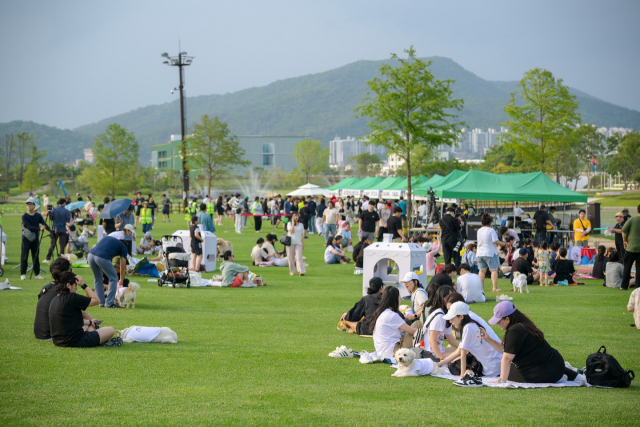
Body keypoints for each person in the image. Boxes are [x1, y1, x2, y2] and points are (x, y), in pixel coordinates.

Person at [482, 301, 585, 384]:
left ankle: (564, 376)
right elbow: (505, 350)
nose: (498, 323)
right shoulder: (523, 325)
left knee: (505, 370)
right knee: (508, 367)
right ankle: (574, 375)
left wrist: (501, 380)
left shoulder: (514, 330)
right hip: (557, 364)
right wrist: (488, 339)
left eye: (499, 320)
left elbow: (507, 358)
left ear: (508, 319)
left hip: (543, 372)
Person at [34, 258, 99, 341]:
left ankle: (96, 330)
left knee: (82, 313)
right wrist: (83, 285)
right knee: (87, 322)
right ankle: (97, 332)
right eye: (70, 270)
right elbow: (96, 301)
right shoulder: (64, 292)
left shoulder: (46, 288)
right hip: (53, 334)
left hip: (40, 333)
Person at [49, 271, 120, 347]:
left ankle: (98, 337)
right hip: (75, 340)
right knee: (111, 330)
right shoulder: (72, 297)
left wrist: (90, 322)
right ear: (68, 285)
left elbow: (71, 322)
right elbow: (97, 300)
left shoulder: (54, 299)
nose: (76, 288)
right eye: (75, 285)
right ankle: (101, 340)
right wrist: (83, 285)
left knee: (90, 325)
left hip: (58, 341)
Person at [438, 301, 502, 377]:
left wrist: (462, 375)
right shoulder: (471, 325)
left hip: (492, 369)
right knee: (454, 365)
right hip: (497, 365)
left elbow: (463, 353)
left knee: (454, 367)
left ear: (461, 316)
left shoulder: (468, 328)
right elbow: (458, 351)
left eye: (452, 318)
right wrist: (439, 364)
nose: (450, 321)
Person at [370, 286, 417, 359]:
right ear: (395, 299)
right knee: (418, 324)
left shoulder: (383, 313)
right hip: (393, 352)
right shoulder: (392, 316)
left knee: (415, 326)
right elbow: (413, 331)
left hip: (383, 351)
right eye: (399, 296)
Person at [88, 235, 128, 308]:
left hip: (90, 255)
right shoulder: (124, 247)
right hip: (101, 257)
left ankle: (100, 302)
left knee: (98, 279)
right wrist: (121, 280)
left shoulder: (109, 239)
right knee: (114, 278)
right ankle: (109, 303)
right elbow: (123, 266)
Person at [421, 285, 459, 360]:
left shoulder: (445, 315)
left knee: (464, 352)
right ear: (443, 298)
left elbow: (451, 340)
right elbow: (432, 341)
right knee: (464, 355)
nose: (453, 299)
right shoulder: (439, 316)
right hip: (431, 354)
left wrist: (465, 347)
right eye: (450, 297)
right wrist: (441, 359)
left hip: (438, 350)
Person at [474, 214, 505, 293]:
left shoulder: (479, 230)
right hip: (490, 252)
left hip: (480, 252)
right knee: (494, 270)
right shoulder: (491, 230)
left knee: (481, 271)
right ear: (490, 222)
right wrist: (504, 244)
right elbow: (495, 241)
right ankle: (494, 287)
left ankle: (482, 288)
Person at [21, 198, 50, 280]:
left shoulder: (38, 215)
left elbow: (44, 224)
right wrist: (39, 229)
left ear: (34, 205)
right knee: (24, 256)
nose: (29, 206)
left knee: (35, 256)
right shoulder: (25, 216)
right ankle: (23, 274)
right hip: (26, 238)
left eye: (30, 204)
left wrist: (51, 231)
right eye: (27, 204)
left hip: (35, 239)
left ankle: (37, 274)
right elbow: (28, 226)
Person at [44, 198, 73, 263]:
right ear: (64, 203)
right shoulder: (67, 211)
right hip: (63, 230)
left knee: (53, 244)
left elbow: (51, 218)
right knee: (62, 245)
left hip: (55, 229)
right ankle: (61, 259)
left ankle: (48, 258)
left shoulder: (54, 209)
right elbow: (68, 221)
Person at [621, 204, 640, 291]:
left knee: (627, 267)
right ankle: (638, 286)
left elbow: (624, 230)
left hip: (631, 247)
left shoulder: (632, 219)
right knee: (639, 268)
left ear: (637, 211)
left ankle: (624, 286)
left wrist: (625, 240)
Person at [287, 212, 306, 276]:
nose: (296, 217)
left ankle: (300, 271)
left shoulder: (301, 224)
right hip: (290, 243)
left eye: (297, 216)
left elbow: (302, 235)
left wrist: (303, 243)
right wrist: (293, 223)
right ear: (292, 217)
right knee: (291, 257)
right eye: (294, 216)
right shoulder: (289, 224)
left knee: (299, 257)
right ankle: (292, 271)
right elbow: (291, 231)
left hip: (298, 243)